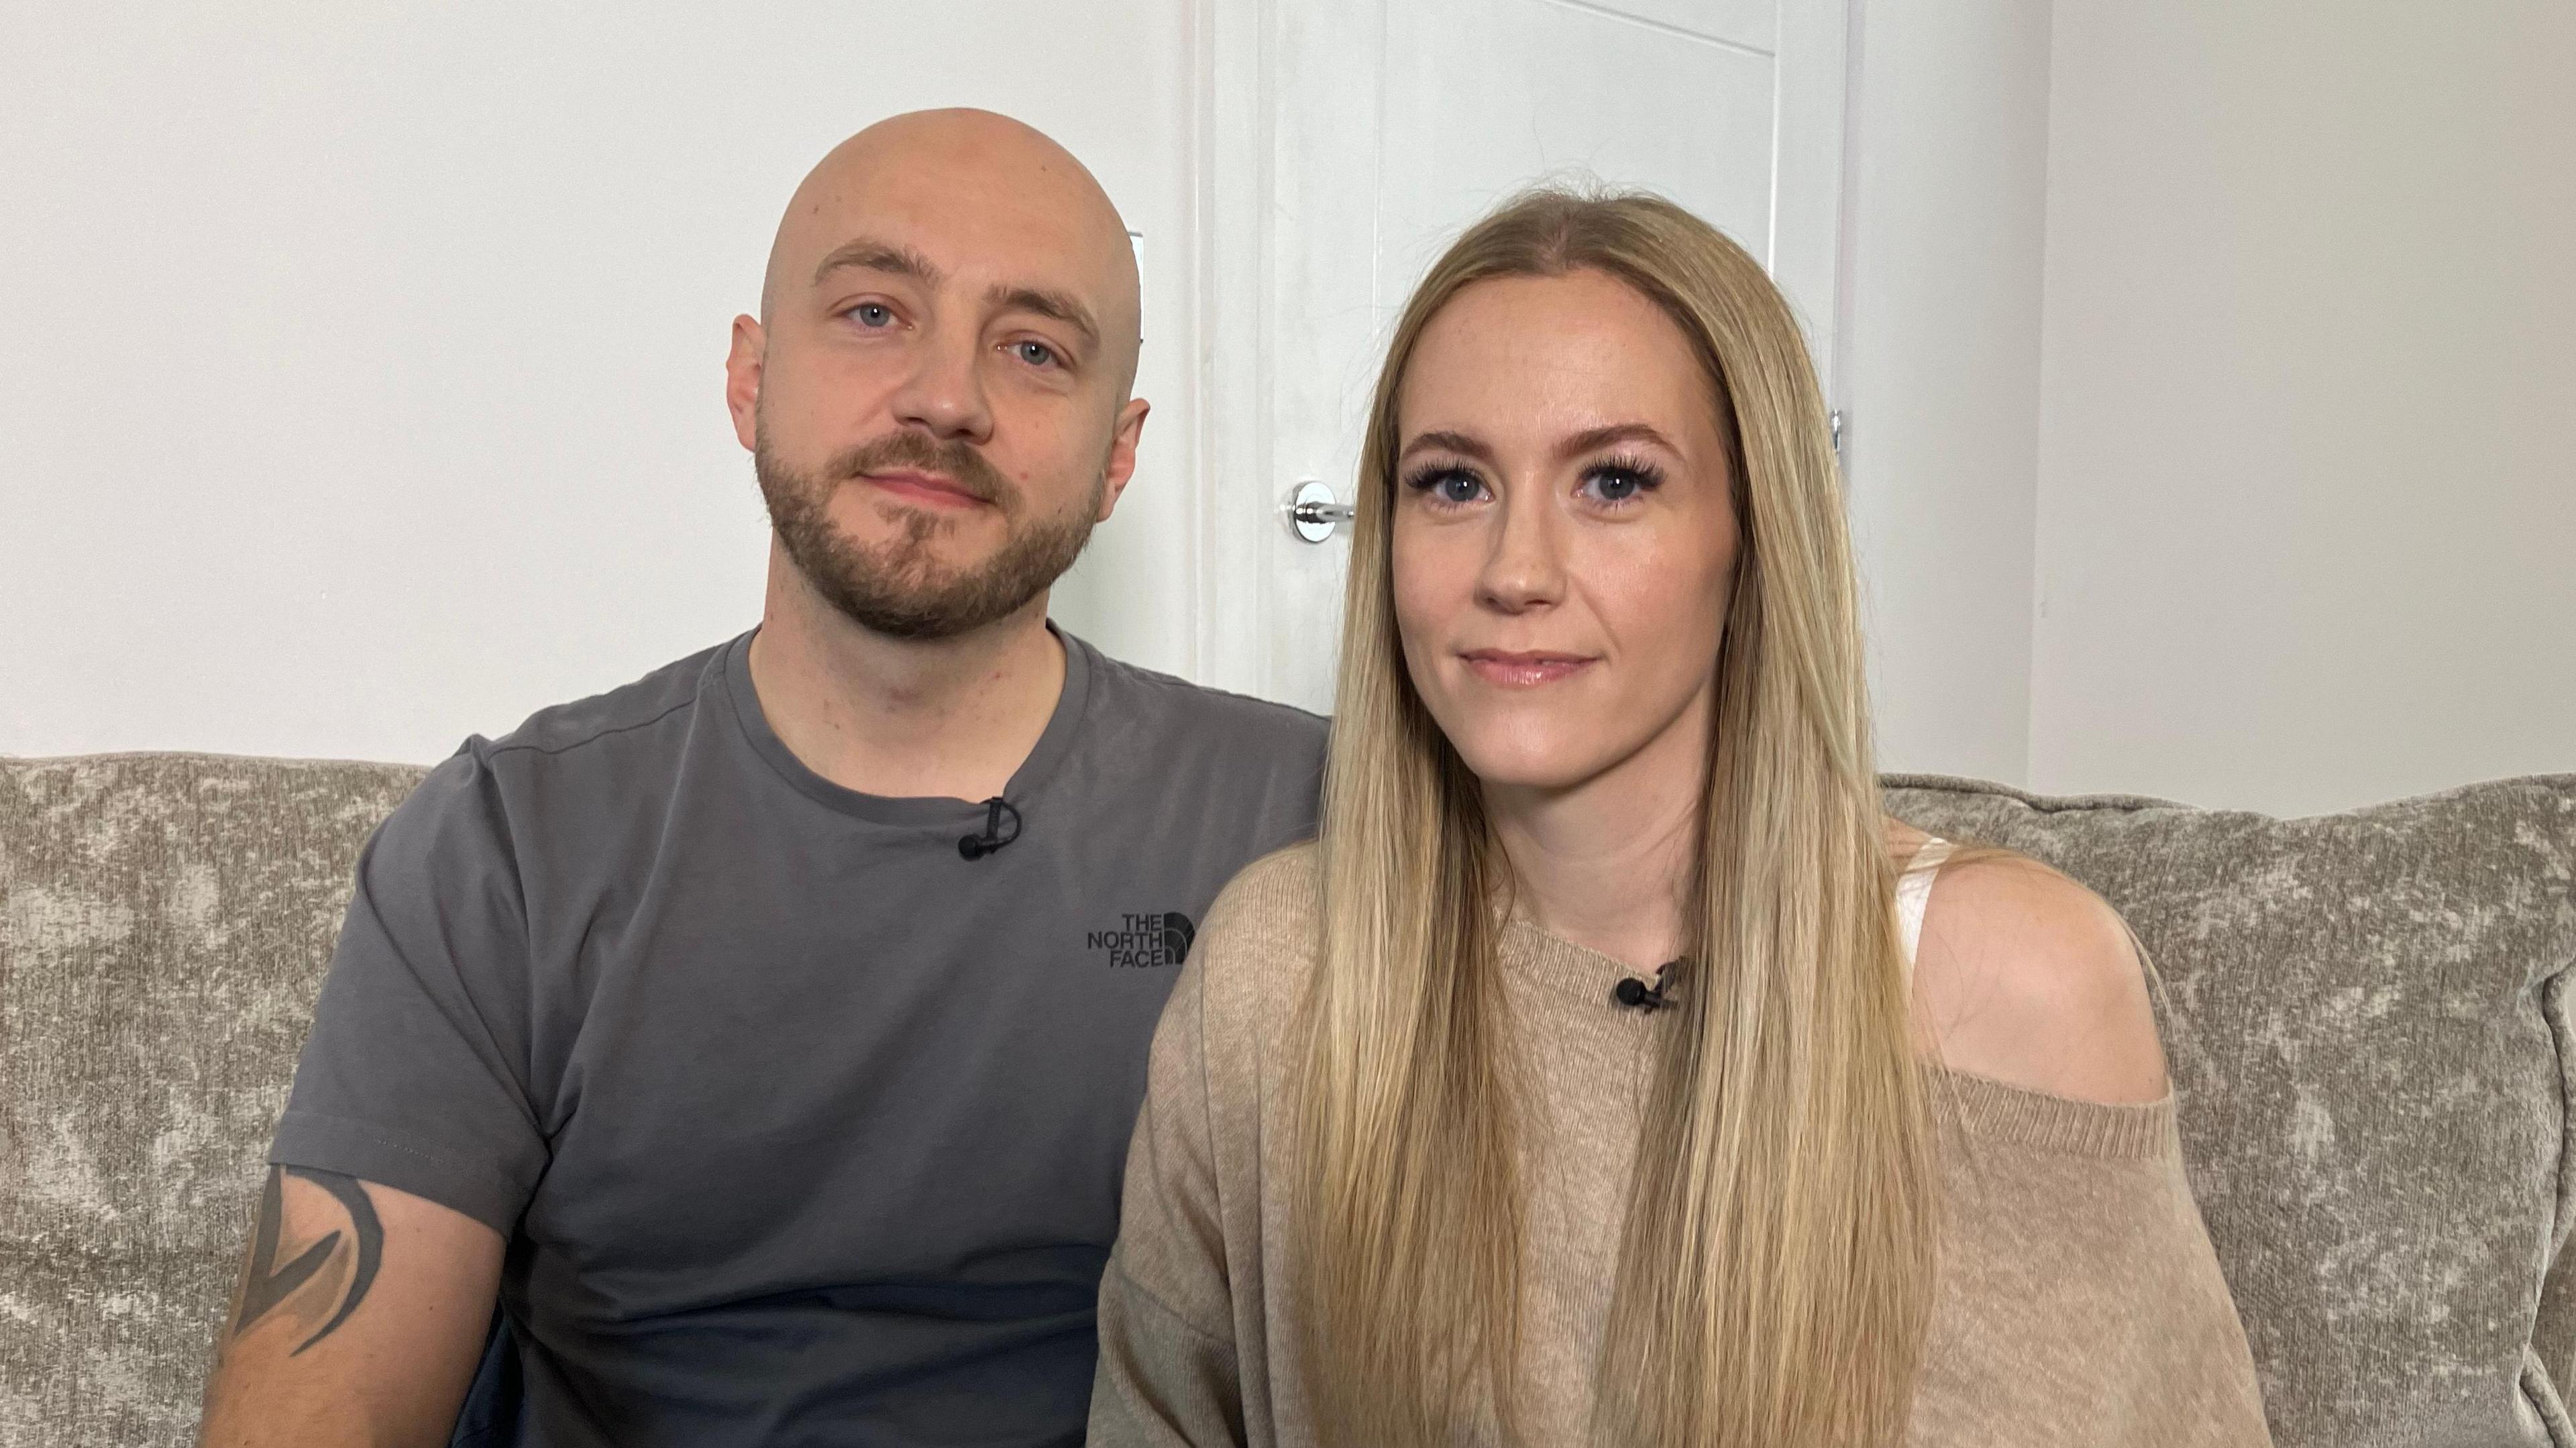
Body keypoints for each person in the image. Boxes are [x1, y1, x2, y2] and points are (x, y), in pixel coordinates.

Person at [196, 109, 1326, 1448]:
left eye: (1033, 348)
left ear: (1118, 456)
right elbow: (326, 1404)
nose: (947, 397)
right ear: (749, 378)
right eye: (872, 313)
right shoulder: (506, 849)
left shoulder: (1310, 819)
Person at [1088, 188, 2273, 1447]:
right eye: (1451, 483)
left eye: (1613, 480)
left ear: (1753, 538)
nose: (1515, 571)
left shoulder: (2012, 983)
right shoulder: (1278, 967)